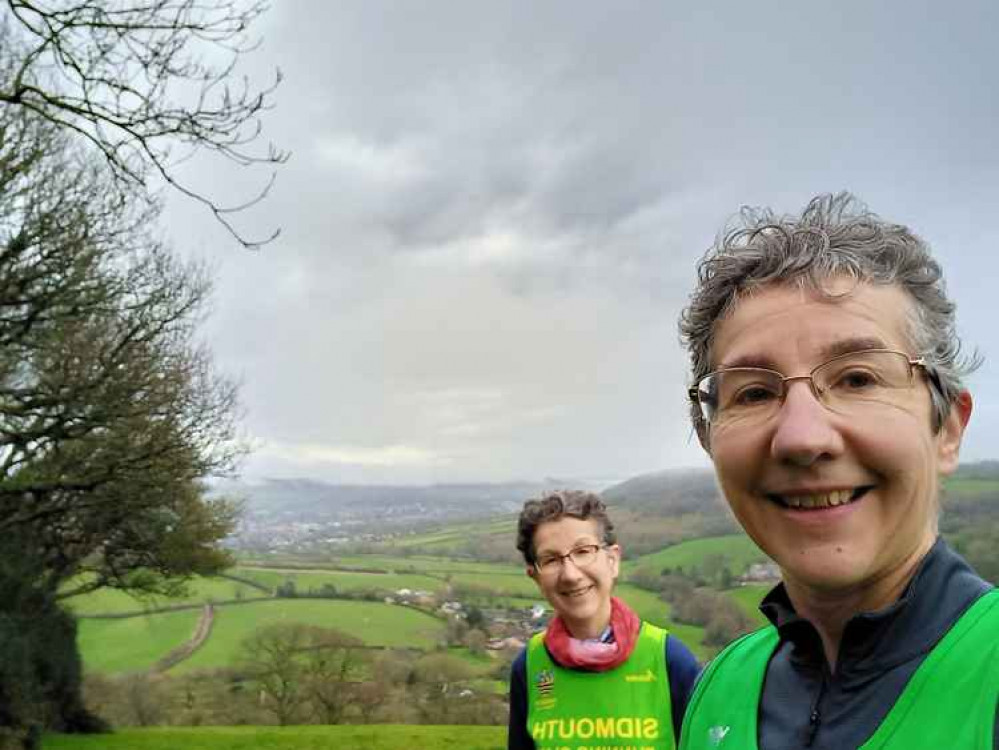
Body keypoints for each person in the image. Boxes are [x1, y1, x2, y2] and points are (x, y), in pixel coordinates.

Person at [677, 193, 998, 750]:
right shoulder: (719, 688)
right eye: (754, 391)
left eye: (858, 379)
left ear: (946, 429)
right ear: (710, 441)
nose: (802, 437)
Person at [508, 490, 700, 750]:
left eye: (583, 550)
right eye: (551, 559)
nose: (571, 574)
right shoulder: (529, 666)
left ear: (612, 560)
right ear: (535, 577)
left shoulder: (669, 659)